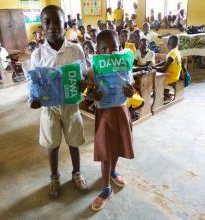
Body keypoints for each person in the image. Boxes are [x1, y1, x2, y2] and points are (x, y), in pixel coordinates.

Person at [30, 5, 88, 199]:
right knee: (52, 144)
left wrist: (82, 85)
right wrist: (34, 99)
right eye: (48, 22)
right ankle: (54, 177)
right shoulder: (37, 55)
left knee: (74, 142)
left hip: (71, 105)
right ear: (42, 26)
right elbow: (34, 84)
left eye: (57, 22)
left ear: (65, 25)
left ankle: (77, 173)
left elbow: (84, 76)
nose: (53, 26)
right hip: (50, 108)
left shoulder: (75, 49)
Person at [86, 30, 135, 211]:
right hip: (105, 115)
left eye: (113, 48)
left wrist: (132, 91)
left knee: (117, 146)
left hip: (121, 112)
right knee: (106, 152)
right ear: (97, 51)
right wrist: (93, 94)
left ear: (119, 48)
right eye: (104, 49)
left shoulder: (125, 66)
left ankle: (113, 172)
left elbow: (131, 87)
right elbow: (88, 95)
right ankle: (106, 189)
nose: (109, 52)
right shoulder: (93, 70)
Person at [152, 35, 182, 101]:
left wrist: (154, 69)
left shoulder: (172, 53)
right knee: (156, 75)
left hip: (171, 76)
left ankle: (165, 94)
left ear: (168, 44)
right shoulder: (175, 51)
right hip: (175, 74)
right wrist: (155, 66)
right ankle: (164, 92)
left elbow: (164, 69)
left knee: (154, 79)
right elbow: (165, 62)